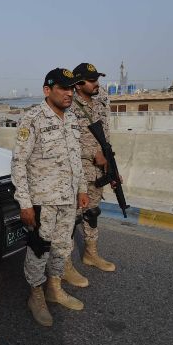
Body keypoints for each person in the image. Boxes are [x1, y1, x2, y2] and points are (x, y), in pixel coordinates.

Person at [11, 68, 90, 327]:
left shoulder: (71, 118)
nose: (70, 93)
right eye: (64, 88)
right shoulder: (32, 119)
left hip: (67, 198)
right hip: (42, 201)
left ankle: (54, 289)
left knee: (62, 247)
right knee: (39, 249)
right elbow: (18, 164)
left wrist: (82, 189)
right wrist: (24, 203)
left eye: (72, 88)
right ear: (48, 90)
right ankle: (36, 295)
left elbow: (75, 158)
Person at [70, 62, 117, 273]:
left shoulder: (99, 105)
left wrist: (113, 169)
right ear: (78, 84)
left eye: (97, 79)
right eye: (92, 80)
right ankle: (64, 265)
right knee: (70, 219)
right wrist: (91, 154)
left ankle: (91, 254)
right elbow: (65, 143)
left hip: (98, 172)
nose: (97, 83)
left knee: (92, 213)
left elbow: (105, 140)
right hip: (76, 173)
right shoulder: (69, 106)